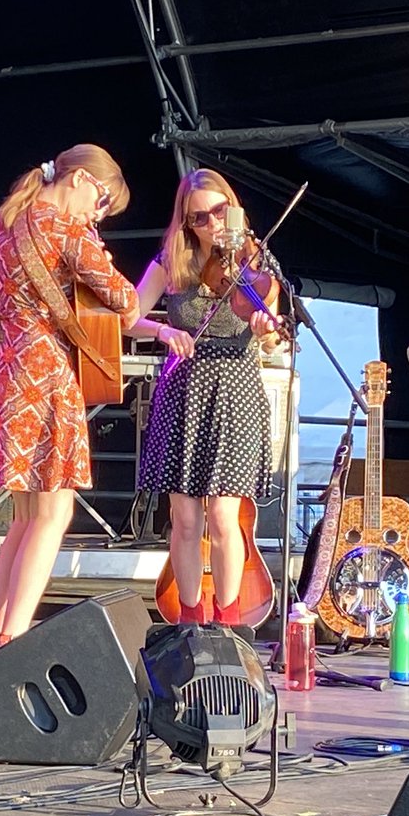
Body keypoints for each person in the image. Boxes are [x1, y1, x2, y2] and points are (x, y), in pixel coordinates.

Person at [0, 144, 140, 649]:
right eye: (102, 202)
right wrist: (95, 246)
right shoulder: (64, 227)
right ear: (80, 179)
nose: (97, 214)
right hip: (43, 378)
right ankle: (12, 638)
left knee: (22, 518)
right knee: (53, 515)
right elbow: (125, 303)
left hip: (1, 372)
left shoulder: (4, 219)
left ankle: (1, 627)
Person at [129, 168, 283, 626]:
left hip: (235, 389)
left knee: (223, 515)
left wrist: (265, 328)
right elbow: (128, 316)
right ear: (186, 223)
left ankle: (229, 621)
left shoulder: (255, 262)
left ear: (233, 209)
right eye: (201, 218)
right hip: (185, 390)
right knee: (185, 519)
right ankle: (189, 622)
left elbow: (272, 333)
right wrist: (163, 329)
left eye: (220, 212)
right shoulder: (171, 260)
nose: (213, 224)